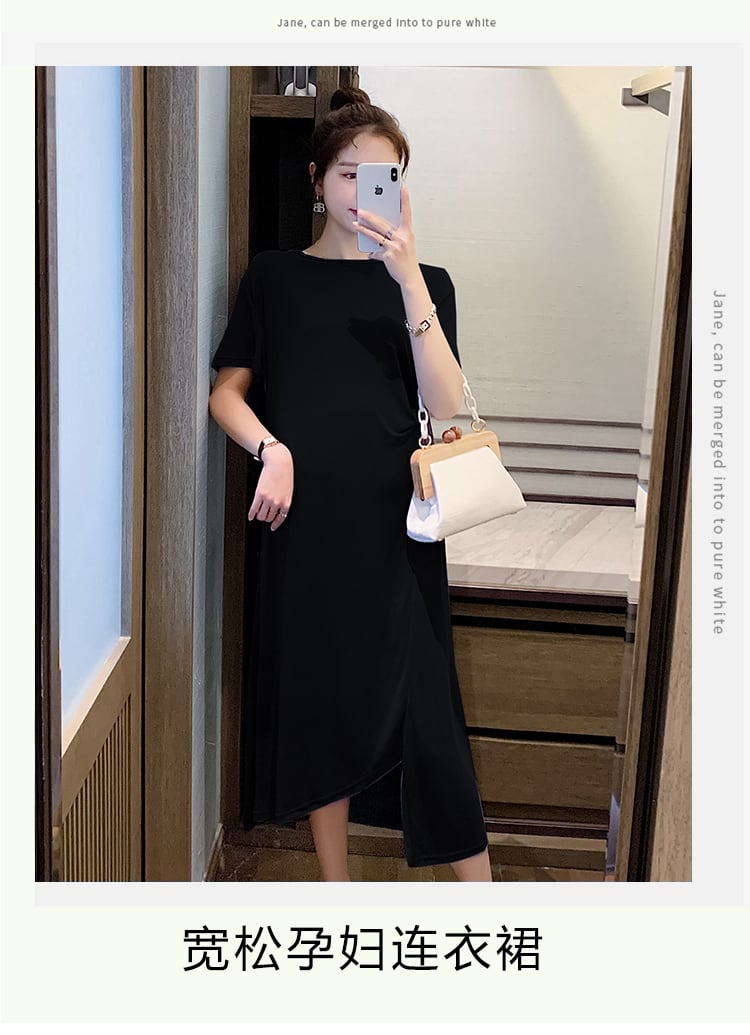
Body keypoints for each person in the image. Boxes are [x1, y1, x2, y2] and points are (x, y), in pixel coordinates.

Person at [209, 86, 492, 882]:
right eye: (349, 174)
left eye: (386, 176)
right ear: (316, 180)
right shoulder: (274, 278)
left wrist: (408, 279)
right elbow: (226, 393)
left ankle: (487, 903)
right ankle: (336, 891)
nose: (367, 191)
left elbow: (446, 402)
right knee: (322, 707)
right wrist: (272, 449)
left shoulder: (427, 281)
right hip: (307, 527)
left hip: (398, 530)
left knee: (430, 718)